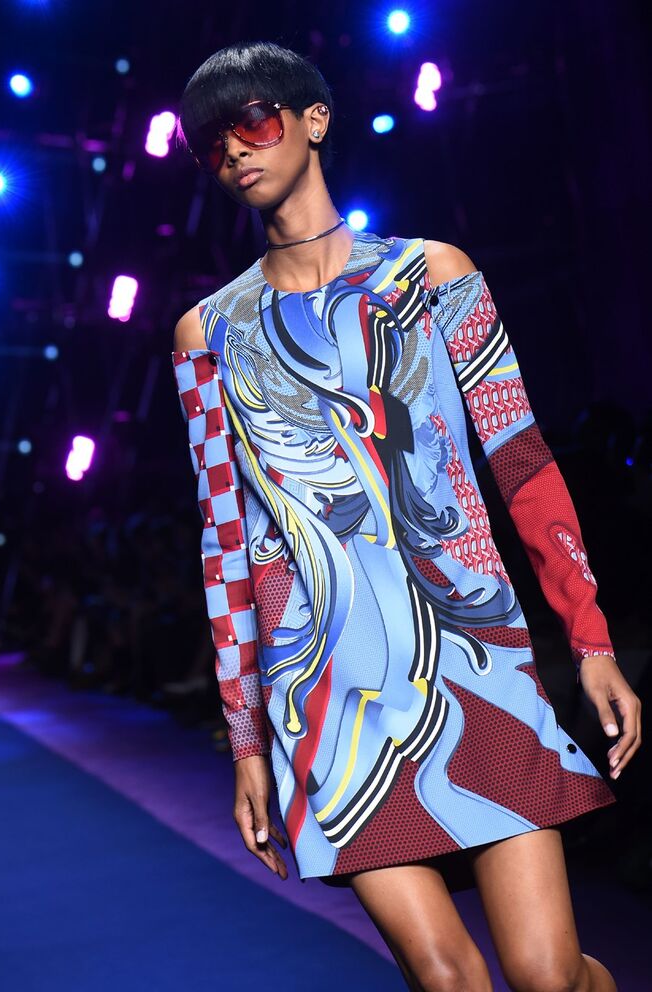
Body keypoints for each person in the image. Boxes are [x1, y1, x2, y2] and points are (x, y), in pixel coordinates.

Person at [172, 41, 641, 992]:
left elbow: (522, 461)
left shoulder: (431, 274)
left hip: (475, 658)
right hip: (326, 693)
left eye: (253, 121)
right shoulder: (208, 331)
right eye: (210, 142)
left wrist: (589, 639)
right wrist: (248, 743)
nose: (234, 151)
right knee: (446, 978)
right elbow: (227, 544)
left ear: (314, 119)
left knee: (547, 977)